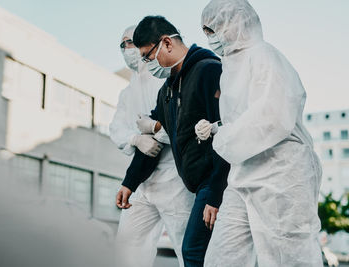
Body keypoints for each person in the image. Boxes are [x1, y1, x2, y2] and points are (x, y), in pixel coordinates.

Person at [197, 1, 323, 266]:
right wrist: (218, 127)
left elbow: (273, 116)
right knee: (222, 257)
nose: (210, 37)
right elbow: (244, 118)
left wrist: (222, 137)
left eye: (213, 29)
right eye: (206, 31)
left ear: (233, 23)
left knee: (289, 257)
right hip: (242, 175)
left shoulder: (264, 55)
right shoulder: (229, 70)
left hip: (281, 175)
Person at [131, 16, 230, 267]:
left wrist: (215, 194)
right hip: (199, 187)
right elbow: (155, 137)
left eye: (147, 56)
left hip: (217, 181)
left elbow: (227, 131)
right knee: (203, 254)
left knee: (194, 251)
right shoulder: (166, 91)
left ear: (166, 43)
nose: (147, 63)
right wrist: (129, 183)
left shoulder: (209, 70)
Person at [110, 25, 194, 267]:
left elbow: (180, 128)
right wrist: (135, 139)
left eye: (131, 42)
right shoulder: (127, 93)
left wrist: (155, 130)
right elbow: (116, 128)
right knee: (127, 250)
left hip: (175, 179)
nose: (127, 48)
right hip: (143, 184)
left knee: (187, 249)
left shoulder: (168, 80)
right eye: (123, 44)